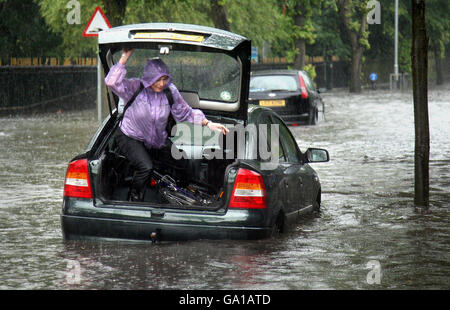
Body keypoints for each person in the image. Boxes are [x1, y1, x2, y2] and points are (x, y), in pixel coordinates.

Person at [105, 48, 229, 201]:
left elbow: (186, 113)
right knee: (146, 167)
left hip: (155, 140)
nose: (161, 83)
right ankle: (135, 198)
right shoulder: (135, 88)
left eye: (164, 79)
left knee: (182, 160)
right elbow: (111, 82)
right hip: (130, 137)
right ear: (149, 78)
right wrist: (125, 56)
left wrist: (208, 123)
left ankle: (181, 194)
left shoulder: (170, 91)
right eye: (157, 80)